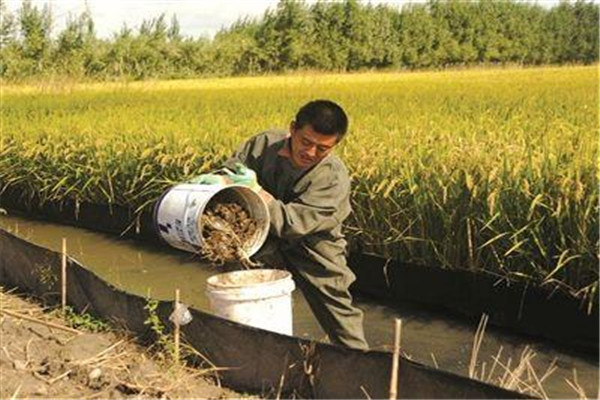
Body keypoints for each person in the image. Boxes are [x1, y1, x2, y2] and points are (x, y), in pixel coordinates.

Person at [197, 100, 368, 350]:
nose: (310, 153)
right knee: (240, 284)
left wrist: (258, 192)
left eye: (322, 148)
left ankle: (360, 362)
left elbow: (293, 223)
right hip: (259, 234)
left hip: (314, 243)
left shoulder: (332, 178)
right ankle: (247, 349)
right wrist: (222, 178)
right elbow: (232, 172)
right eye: (306, 142)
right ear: (293, 129)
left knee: (336, 305)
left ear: (335, 146)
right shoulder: (263, 145)